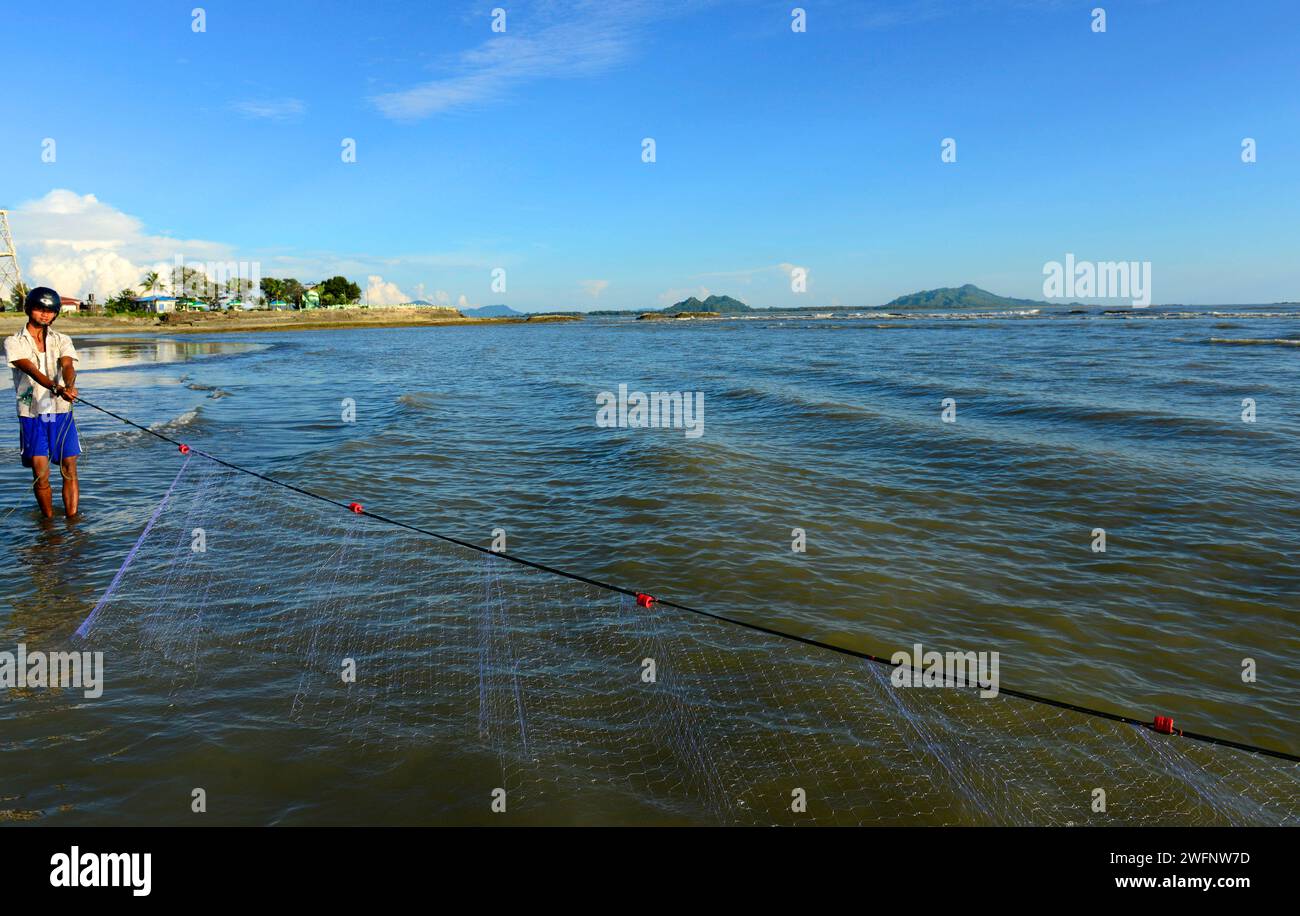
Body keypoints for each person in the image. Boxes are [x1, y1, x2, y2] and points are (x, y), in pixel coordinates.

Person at [5, 286, 81, 518]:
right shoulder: (13, 341)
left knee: (69, 467)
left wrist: (68, 385)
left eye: (50, 311)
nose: (45, 314)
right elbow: (29, 368)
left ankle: (72, 521)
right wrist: (55, 387)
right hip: (33, 412)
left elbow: (68, 365)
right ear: (29, 309)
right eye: (39, 309)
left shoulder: (62, 339)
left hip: (61, 411)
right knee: (41, 472)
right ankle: (48, 524)